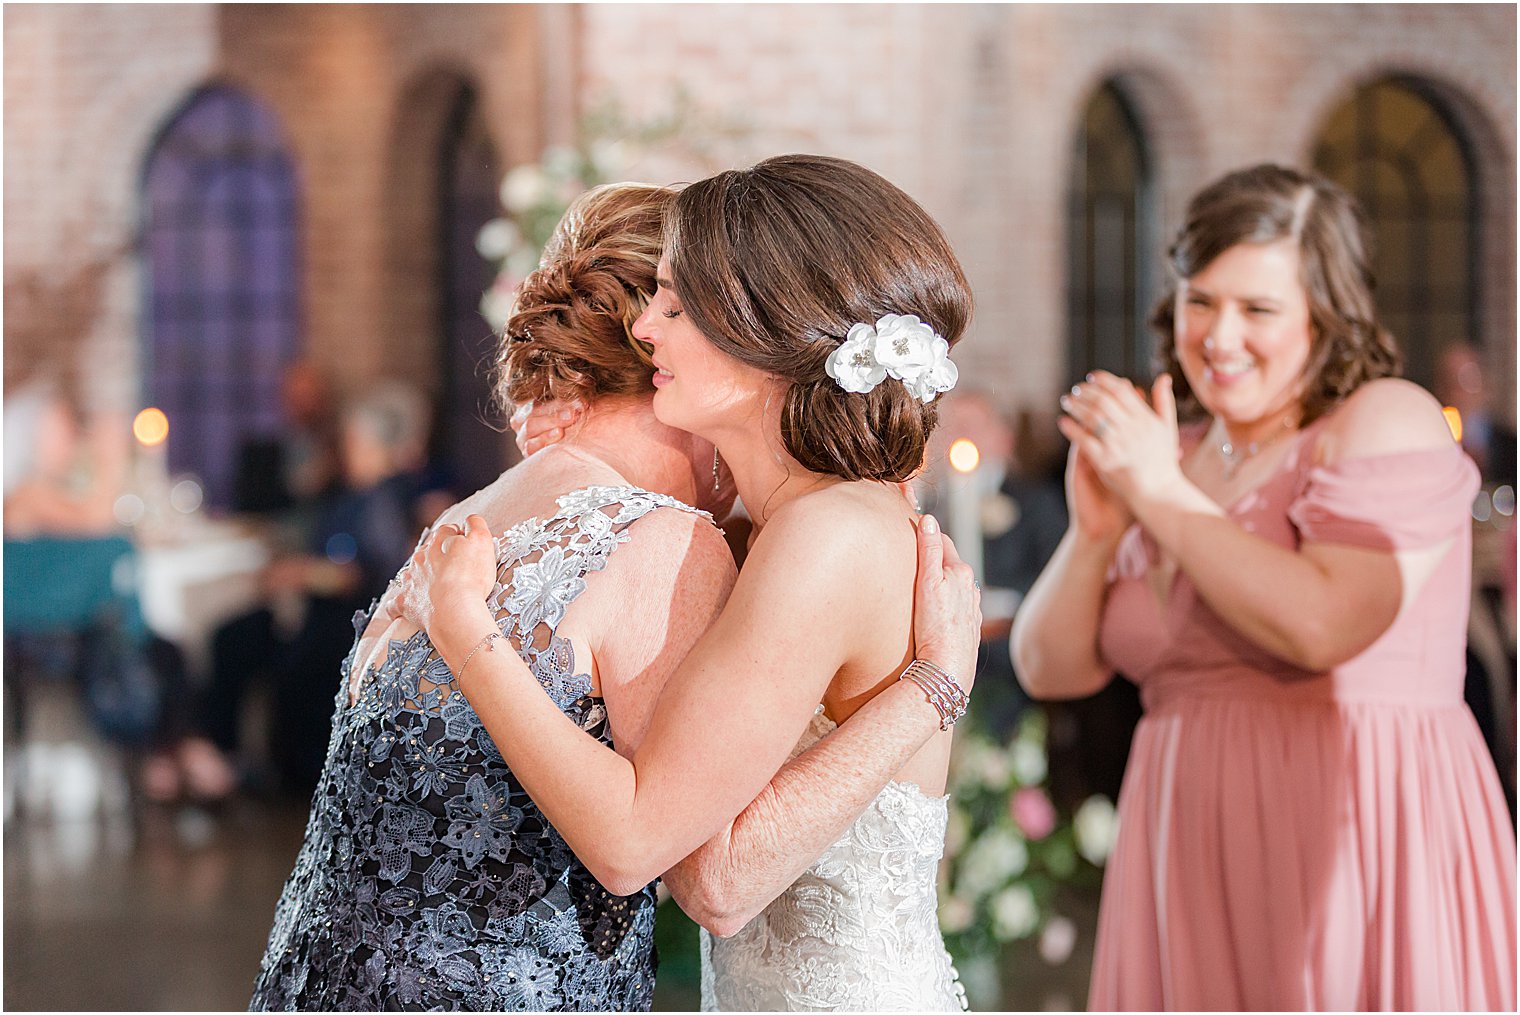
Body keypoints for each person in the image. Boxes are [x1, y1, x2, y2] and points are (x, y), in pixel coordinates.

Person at [251, 178, 981, 1012]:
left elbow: (714, 876)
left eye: (677, 306)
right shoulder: (769, 532)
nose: (646, 327)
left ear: (760, 328)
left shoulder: (817, 531)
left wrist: (935, 686)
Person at [1012, 164, 1516, 1010]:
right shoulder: (1172, 452)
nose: (1218, 335)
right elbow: (1049, 667)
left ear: (1328, 315)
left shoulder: (1383, 418)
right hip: (1183, 839)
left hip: (1356, 828)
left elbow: (1323, 625)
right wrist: (1100, 533)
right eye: (1200, 300)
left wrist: (1159, 494)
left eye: (1259, 309)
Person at [205, 382, 428, 796]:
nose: (347, 450)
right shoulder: (350, 493)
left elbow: (368, 573)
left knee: (256, 647)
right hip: (318, 616)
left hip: (348, 626)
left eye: (355, 441)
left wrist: (302, 574)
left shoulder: (382, 500)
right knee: (233, 635)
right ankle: (225, 755)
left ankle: (260, 767)